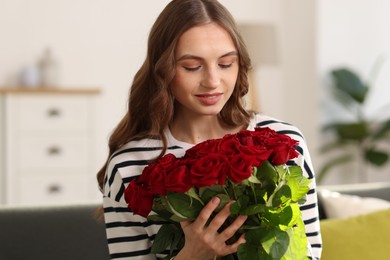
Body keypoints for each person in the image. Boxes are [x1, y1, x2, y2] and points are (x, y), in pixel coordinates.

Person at [97, 0, 322, 259]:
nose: (213, 81)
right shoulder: (128, 166)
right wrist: (193, 254)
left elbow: (309, 252)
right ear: (163, 69)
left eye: (226, 64)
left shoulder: (283, 141)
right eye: (192, 67)